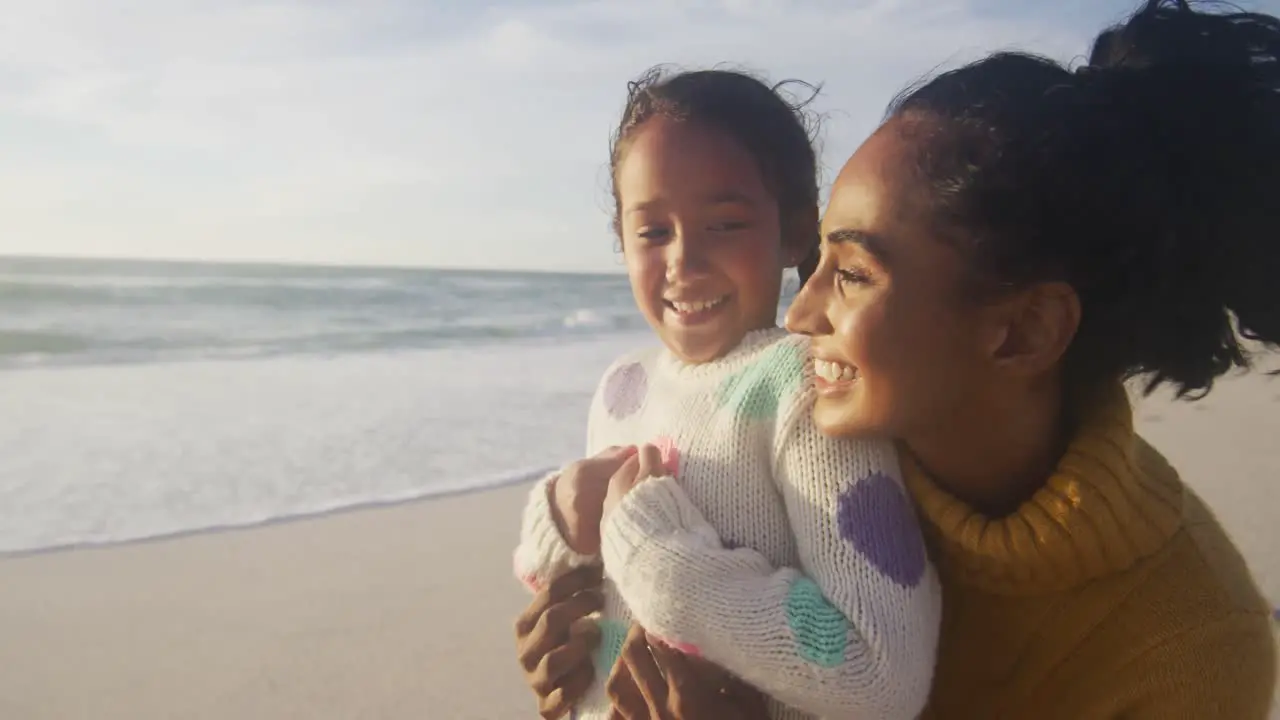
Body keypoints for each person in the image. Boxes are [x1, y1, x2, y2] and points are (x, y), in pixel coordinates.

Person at [514, 1, 1280, 717]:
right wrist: (592, 641)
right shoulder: (812, 465)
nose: (802, 312)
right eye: (817, 263)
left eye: (851, 273)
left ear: (1022, 332)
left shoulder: (1198, 647)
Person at [511, 67, 942, 720]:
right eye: (653, 231)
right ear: (621, 240)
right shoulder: (623, 386)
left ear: (796, 229)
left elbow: (883, 673)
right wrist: (560, 517)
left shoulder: (806, 385)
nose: (683, 260)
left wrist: (659, 559)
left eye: (725, 223)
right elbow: (571, 596)